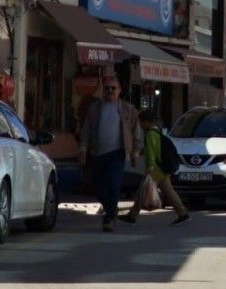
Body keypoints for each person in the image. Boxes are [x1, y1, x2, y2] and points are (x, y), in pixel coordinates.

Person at [79, 75, 141, 232]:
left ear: (120, 90)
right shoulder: (95, 108)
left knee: (114, 185)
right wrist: (83, 149)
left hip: (117, 154)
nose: (110, 91)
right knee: (99, 188)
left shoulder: (127, 109)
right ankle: (111, 209)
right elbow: (86, 130)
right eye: (107, 88)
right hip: (97, 154)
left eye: (113, 88)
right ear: (103, 90)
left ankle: (110, 217)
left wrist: (135, 152)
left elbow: (136, 131)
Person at [120, 110, 189, 226]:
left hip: (155, 171)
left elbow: (151, 154)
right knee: (151, 192)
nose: (141, 126)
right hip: (161, 169)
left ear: (146, 122)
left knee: (147, 192)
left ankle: (183, 214)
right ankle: (132, 215)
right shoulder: (157, 132)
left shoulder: (150, 135)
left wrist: (149, 169)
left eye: (141, 123)